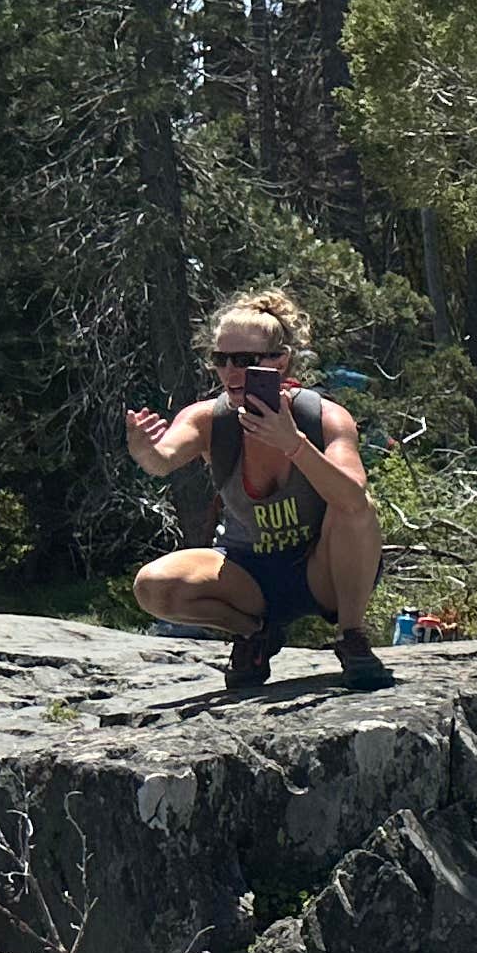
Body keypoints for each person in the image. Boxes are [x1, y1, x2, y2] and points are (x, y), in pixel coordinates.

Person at [122, 290, 395, 694]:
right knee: (151, 587)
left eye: (246, 361)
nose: (231, 372)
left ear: (279, 362)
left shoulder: (325, 417)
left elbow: (354, 501)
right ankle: (255, 634)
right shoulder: (209, 419)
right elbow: (163, 459)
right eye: (221, 359)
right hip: (247, 574)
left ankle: (352, 636)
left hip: (321, 571)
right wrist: (145, 451)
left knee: (356, 505)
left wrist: (295, 444)